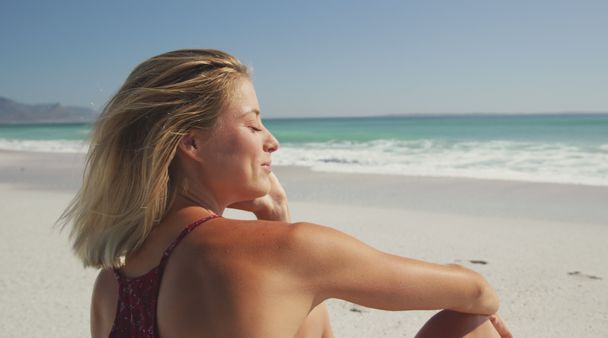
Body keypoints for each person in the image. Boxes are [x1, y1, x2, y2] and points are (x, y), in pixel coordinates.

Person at [59, 49, 512, 338]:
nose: (271, 141)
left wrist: (275, 218)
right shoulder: (290, 252)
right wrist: (282, 232)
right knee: (470, 325)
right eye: (253, 124)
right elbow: (476, 290)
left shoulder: (112, 287)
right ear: (191, 143)